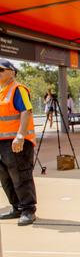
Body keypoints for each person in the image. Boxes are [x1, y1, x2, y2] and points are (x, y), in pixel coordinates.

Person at [0, 59, 37, 226]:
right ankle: (16, 207)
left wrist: (20, 135)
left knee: (20, 174)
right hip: (2, 142)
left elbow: (26, 111)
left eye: (1, 70)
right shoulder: (2, 91)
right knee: (5, 176)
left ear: (12, 72)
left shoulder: (18, 89)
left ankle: (28, 209)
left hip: (16, 141)